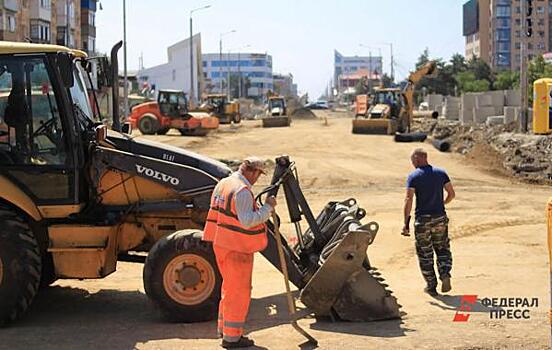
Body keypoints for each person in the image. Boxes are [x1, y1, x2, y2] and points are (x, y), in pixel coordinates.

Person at [203, 156, 277, 349]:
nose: (257, 179)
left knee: (228, 288)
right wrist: (268, 208)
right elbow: (247, 221)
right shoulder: (242, 191)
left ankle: (224, 329)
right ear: (251, 171)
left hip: (221, 243)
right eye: (258, 175)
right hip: (237, 248)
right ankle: (232, 338)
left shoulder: (224, 184)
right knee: (239, 292)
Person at [402, 148, 455, 297]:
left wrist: (405, 223)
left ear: (418, 159)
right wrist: (442, 203)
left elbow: (409, 199)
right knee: (442, 248)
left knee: (425, 253)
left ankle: (431, 286)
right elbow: (452, 194)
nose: (412, 163)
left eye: (413, 160)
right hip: (440, 218)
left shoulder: (414, 176)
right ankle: (445, 273)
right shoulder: (441, 173)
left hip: (422, 220)